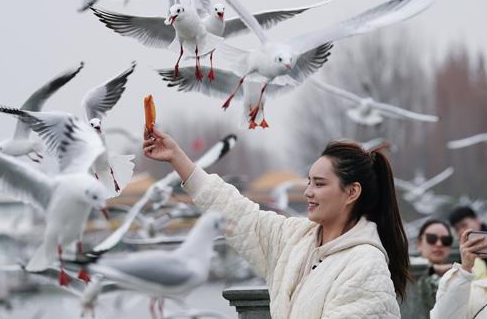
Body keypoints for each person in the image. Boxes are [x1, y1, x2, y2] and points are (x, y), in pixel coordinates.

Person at [143, 127, 407, 318]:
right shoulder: (297, 239)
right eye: (308, 182)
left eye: (319, 184)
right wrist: (177, 158)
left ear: (352, 192)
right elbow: (239, 215)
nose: (308, 192)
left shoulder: (366, 265)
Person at [414, 220, 455, 316]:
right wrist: (432, 269)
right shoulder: (404, 271)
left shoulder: (459, 277)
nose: (439, 244)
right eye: (431, 239)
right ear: (419, 244)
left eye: (446, 240)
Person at [449, 205, 487, 274]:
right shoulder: (464, 250)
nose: (461, 231)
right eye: (457, 229)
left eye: (464, 225)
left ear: (477, 221)